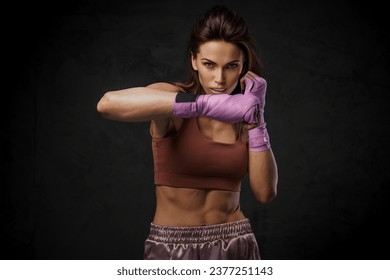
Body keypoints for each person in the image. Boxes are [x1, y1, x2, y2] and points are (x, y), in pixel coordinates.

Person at [97, 5, 278, 260]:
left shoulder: (244, 114)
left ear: (243, 66)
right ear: (194, 60)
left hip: (235, 243)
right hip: (172, 247)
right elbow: (107, 104)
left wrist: (257, 122)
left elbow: (265, 193)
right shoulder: (172, 101)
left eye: (231, 66)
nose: (219, 78)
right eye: (209, 64)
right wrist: (201, 105)